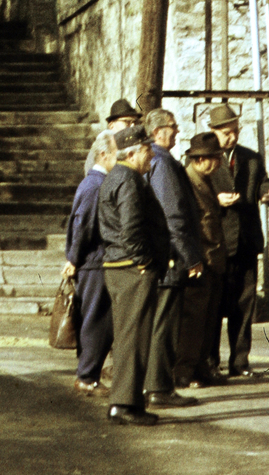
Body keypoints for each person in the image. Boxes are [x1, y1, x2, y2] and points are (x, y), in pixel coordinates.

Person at [97, 125, 168, 425]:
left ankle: (128, 401)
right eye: (148, 149)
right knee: (133, 338)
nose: (152, 154)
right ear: (134, 152)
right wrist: (143, 260)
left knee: (131, 336)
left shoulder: (118, 177)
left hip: (121, 267)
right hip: (131, 269)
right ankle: (124, 404)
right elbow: (131, 227)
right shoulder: (128, 179)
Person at [142, 108, 204, 409]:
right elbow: (174, 215)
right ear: (157, 132)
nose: (177, 132)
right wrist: (191, 256)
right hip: (170, 256)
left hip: (159, 254)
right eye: (172, 127)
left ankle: (155, 384)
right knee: (165, 324)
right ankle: (158, 387)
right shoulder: (163, 164)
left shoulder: (153, 160)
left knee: (160, 322)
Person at [208, 103, 267, 380]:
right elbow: (194, 194)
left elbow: (261, 186)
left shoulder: (252, 159)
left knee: (244, 306)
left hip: (245, 241)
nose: (232, 137)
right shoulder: (203, 159)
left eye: (235, 131)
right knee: (214, 306)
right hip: (218, 243)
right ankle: (210, 362)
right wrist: (215, 200)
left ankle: (240, 362)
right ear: (214, 132)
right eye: (226, 132)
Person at [63, 130, 117, 397]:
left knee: (95, 320)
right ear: (103, 155)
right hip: (94, 262)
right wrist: (73, 258)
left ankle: (88, 374)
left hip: (92, 261)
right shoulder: (96, 185)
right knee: (97, 321)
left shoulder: (94, 183)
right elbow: (82, 225)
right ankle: (87, 376)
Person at [175, 132, 228, 388]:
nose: (219, 163)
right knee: (193, 323)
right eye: (216, 158)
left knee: (207, 320)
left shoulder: (205, 180)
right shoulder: (189, 182)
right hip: (200, 261)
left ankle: (200, 368)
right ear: (201, 159)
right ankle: (185, 371)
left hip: (213, 260)